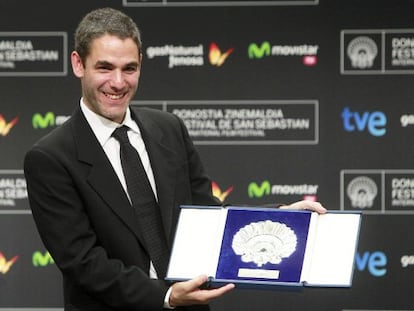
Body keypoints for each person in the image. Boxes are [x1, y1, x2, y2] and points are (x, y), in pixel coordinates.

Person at [23, 7, 326, 311]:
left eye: (129, 68)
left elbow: (207, 215)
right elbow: (83, 262)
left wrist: (280, 217)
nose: (118, 82)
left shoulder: (168, 129)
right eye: (104, 68)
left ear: (141, 64)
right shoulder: (50, 158)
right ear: (78, 64)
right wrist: (165, 297)